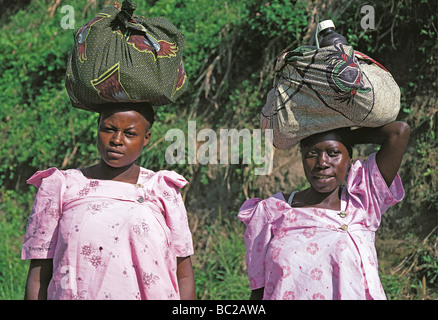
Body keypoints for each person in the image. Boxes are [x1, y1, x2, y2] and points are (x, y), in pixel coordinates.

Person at [22, 103, 196, 300]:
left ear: (146, 138)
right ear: (97, 127)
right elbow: (39, 278)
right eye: (109, 129)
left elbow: (184, 275)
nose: (117, 140)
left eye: (130, 133)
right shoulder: (61, 186)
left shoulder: (162, 189)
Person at [238, 121, 410, 300]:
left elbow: (398, 132)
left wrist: (345, 136)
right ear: (302, 158)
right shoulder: (271, 211)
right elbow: (258, 292)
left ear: (348, 158)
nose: (322, 162)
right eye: (311, 153)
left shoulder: (363, 201)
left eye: (334, 153)